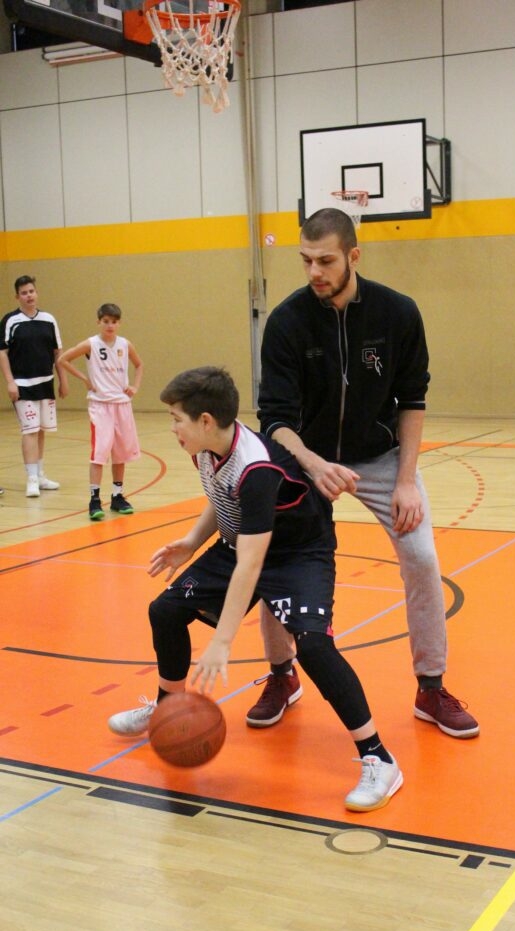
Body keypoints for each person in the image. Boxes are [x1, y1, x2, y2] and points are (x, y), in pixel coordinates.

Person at [107, 366, 403, 812]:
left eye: (176, 419)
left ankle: (379, 757)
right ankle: (168, 709)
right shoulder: (206, 448)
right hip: (243, 541)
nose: (172, 428)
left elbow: (251, 563)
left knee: (314, 646)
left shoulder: (256, 467)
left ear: (206, 420)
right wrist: (192, 541)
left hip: (297, 553)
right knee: (165, 610)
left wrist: (223, 641)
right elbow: (222, 497)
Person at [253, 207, 479, 740]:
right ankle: (282, 674)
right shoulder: (286, 322)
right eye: (306, 260)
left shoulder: (397, 313)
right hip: (306, 460)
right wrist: (312, 465)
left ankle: (431, 687)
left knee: (421, 558)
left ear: (353, 256)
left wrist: (406, 480)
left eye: (326, 260)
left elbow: (413, 399)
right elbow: (275, 420)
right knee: (276, 562)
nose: (314, 272)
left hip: (380, 458)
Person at [58, 303, 143, 520]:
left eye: (114, 322)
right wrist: (84, 379)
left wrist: (134, 387)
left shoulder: (125, 344)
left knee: (120, 454)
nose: (110, 325)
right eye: (106, 321)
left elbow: (139, 365)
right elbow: (63, 359)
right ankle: (94, 500)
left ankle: (117, 496)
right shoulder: (91, 344)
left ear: (119, 323)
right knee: (99, 453)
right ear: (98, 322)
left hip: (122, 404)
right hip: (100, 405)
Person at [0, 275, 68, 497]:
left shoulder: (49, 320)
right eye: (24, 293)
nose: (29, 296)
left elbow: (58, 353)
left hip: (46, 383)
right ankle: (30, 479)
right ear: (17, 297)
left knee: (40, 430)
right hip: (22, 385)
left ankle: (40, 475)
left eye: (31, 291)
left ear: (36, 293)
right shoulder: (10, 321)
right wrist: (10, 382)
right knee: (29, 430)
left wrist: (63, 380)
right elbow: (2, 353)